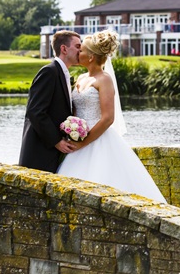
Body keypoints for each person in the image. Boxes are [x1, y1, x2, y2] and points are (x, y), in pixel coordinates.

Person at [57, 30, 166, 203]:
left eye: (82, 51)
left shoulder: (104, 79)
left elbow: (108, 118)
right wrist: (72, 132)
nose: (79, 53)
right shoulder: (81, 78)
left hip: (97, 139)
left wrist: (84, 142)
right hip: (78, 139)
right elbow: (75, 112)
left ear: (91, 57)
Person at [18, 30, 81, 172]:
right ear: (64, 49)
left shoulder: (63, 73)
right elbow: (35, 111)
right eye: (77, 46)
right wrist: (57, 142)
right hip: (39, 152)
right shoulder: (49, 72)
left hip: (52, 153)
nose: (81, 50)